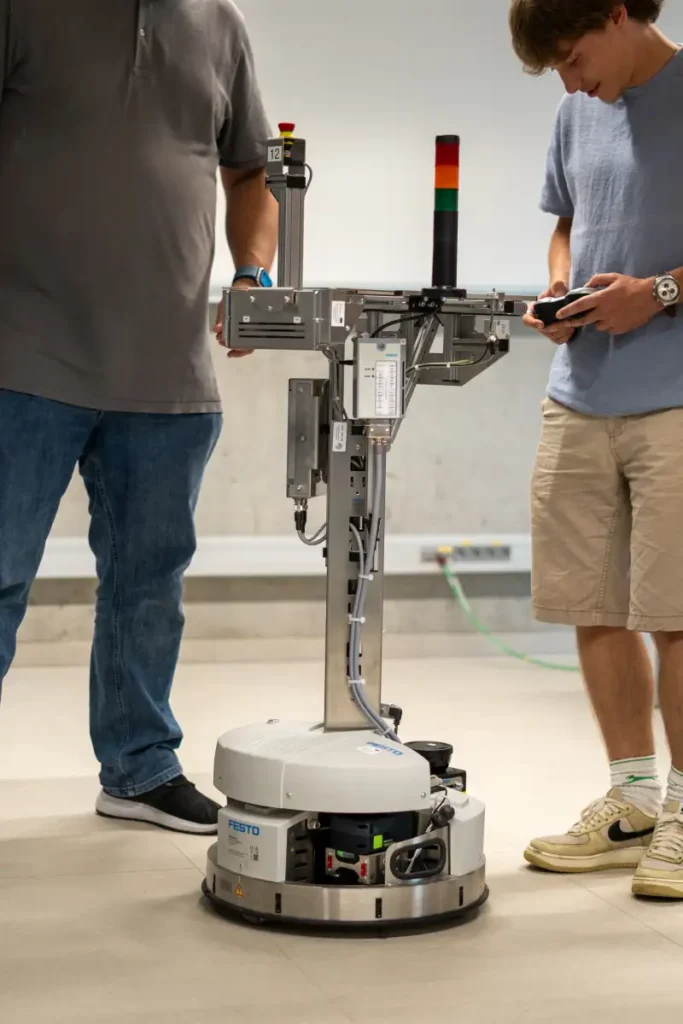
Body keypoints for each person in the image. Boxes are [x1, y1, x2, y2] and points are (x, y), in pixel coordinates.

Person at [0, 1, 278, 834]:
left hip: (168, 368)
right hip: (24, 353)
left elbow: (250, 172)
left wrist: (253, 273)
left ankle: (139, 767)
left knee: (148, 585)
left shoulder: (220, 24)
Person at [509, 0, 683, 898]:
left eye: (574, 58)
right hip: (578, 395)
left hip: (675, 400)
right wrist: (558, 287)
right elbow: (567, 220)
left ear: (618, 13)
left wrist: (657, 292)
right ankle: (634, 801)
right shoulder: (575, 109)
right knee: (594, 604)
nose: (572, 84)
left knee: (675, 614)